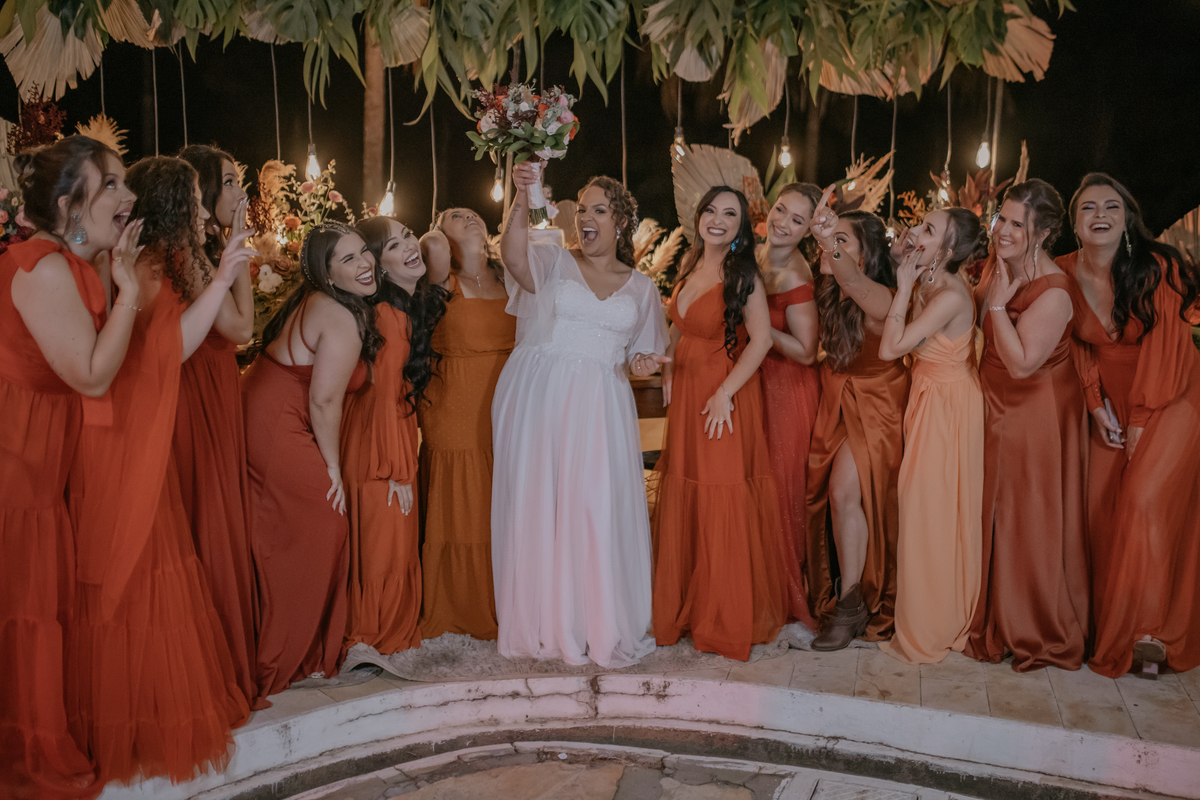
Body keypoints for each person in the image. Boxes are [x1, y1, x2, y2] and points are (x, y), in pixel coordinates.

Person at [67, 155, 254, 783]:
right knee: (143, 564)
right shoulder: (150, 265)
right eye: (197, 199)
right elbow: (169, 352)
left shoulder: (141, 261)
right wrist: (225, 275)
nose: (202, 210)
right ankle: (137, 719)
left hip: (136, 422)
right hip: (130, 429)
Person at [0, 136, 142, 800]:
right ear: (67, 207)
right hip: (15, 466)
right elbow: (91, 376)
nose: (126, 195)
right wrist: (130, 293)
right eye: (110, 184)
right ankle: (26, 750)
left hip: (39, 459)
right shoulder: (45, 268)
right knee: (24, 606)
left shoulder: (72, 262)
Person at [492, 165, 668, 668]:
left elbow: (642, 357)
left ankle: (596, 618)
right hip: (542, 395)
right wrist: (523, 195)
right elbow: (512, 256)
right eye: (582, 209)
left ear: (620, 222)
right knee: (543, 504)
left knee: (594, 505)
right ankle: (547, 622)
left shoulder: (642, 289)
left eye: (599, 210)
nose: (585, 218)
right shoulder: (554, 261)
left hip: (601, 405)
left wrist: (642, 364)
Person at [1059, 173, 1200, 677]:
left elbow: (1171, 346)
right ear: (1075, 222)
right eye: (1088, 207)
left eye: (1111, 207)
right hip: (1107, 399)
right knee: (1101, 507)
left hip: (1171, 394)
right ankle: (1110, 625)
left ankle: (1150, 632)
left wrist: (1140, 417)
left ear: (1127, 219)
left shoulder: (1160, 266)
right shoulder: (1062, 271)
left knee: (1144, 499)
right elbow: (1075, 344)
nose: (1100, 214)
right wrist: (1095, 404)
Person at [242, 223, 380, 697]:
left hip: (266, 408)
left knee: (290, 528)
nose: (365, 264)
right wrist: (332, 469)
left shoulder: (325, 300)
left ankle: (291, 644)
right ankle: (285, 654)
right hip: (277, 421)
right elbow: (323, 401)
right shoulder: (338, 315)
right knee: (324, 523)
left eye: (364, 252)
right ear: (326, 272)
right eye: (348, 259)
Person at [650, 186, 786, 661]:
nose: (717, 220)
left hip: (723, 395)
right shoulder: (690, 264)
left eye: (730, 214)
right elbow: (681, 324)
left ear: (741, 227)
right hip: (689, 392)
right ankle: (689, 608)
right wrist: (667, 365)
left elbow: (762, 340)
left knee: (719, 492)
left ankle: (723, 618)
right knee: (689, 487)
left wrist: (725, 393)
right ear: (699, 216)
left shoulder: (742, 274)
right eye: (710, 210)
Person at [966, 179, 1089, 672]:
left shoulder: (1055, 292)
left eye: (1018, 224)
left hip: (1034, 408)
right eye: (1003, 217)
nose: (1004, 229)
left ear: (1044, 233)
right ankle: (988, 609)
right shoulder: (999, 264)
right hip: (992, 400)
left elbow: (1020, 364)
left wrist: (998, 305)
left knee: (1023, 514)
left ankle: (1031, 622)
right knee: (991, 509)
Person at [876, 208, 986, 665]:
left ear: (948, 249)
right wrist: (907, 271)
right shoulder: (930, 279)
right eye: (921, 224)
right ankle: (924, 611)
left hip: (948, 407)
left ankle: (933, 624)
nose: (916, 232)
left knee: (931, 510)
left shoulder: (950, 295)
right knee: (920, 504)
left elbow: (891, 347)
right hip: (928, 397)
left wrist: (903, 288)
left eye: (928, 230)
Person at [176, 144, 262, 709]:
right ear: (203, 190)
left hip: (216, 382)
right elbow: (241, 328)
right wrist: (241, 257)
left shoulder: (205, 248)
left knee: (219, 505)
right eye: (229, 181)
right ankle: (209, 658)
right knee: (205, 507)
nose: (239, 191)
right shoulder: (190, 254)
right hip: (196, 389)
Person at [805, 204, 909, 651]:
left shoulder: (883, 296)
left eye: (842, 240)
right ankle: (847, 594)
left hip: (879, 402)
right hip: (838, 398)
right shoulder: (828, 291)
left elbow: (851, 281)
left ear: (865, 254)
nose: (828, 249)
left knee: (843, 493)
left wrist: (824, 237)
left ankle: (851, 604)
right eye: (828, 241)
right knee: (834, 496)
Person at [341, 215, 444, 654]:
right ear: (379, 266)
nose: (410, 246)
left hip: (387, 439)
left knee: (392, 545)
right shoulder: (385, 316)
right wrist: (396, 470)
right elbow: (380, 400)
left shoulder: (401, 309)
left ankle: (383, 632)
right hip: (378, 450)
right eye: (395, 245)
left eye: (407, 236)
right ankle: (373, 635)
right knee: (384, 546)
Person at [417, 207, 515, 641]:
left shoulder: (508, 277)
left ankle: (508, 598)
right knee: (465, 502)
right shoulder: (442, 278)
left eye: (473, 213)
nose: (469, 216)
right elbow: (431, 246)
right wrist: (440, 232)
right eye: (455, 216)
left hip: (507, 403)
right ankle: (461, 604)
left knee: (501, 498)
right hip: (454, 404)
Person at [757, 183, 822, 628]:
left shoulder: (797, 276)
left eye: (797, 220)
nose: (783, 222)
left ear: (808, 231)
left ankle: (782, 594)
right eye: (781, 210)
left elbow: (806, 351)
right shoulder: (754, 256)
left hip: (787, 389)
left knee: (780, 491)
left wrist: (760, 326)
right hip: (755, 382)